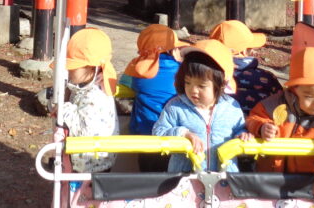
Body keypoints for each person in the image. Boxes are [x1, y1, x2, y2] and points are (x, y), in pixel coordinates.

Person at [246, 47, 314, 201]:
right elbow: (254, 117)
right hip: (269, 181)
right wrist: (261, 127)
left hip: (309, 185)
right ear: (294, 90)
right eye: (308, 96)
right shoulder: (274, 106)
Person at [152, 39, 252, 173]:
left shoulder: (231, 107)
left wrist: (242, 135)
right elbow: (158, 131)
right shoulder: (175, 107)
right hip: (185, 183)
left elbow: (239, 128)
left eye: (201, 86)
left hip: (223, 181)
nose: (193, 90)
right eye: (188, 83)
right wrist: (183, 133)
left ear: (221, 84)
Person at [123, 24, 187, 172]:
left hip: (146, 134)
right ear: (173, 49)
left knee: (147, 176)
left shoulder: (138, 71)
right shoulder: (182, 70)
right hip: (174, 133)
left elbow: (125, 83)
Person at [58, 27, 120, 173]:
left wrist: (64, 109)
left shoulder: (95, 96)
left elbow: (83, 131)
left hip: (93, 165)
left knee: (82, 195)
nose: (69, 70)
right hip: (87, 160)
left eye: (74, 66)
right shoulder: (84, 88)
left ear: (93, 68)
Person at [209, 20, 283, 114]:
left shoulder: (207, 77)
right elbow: (282, 105)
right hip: (260, 126)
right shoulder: (267, 78)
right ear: (244, 51)